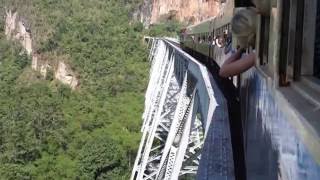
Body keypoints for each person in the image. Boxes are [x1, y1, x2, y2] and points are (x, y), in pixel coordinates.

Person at [219, 8, 257, 78]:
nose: (238, 42)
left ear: (248, 37)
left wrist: (240, 50)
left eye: (238, 38)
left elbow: (223, 71)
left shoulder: (255, 56)